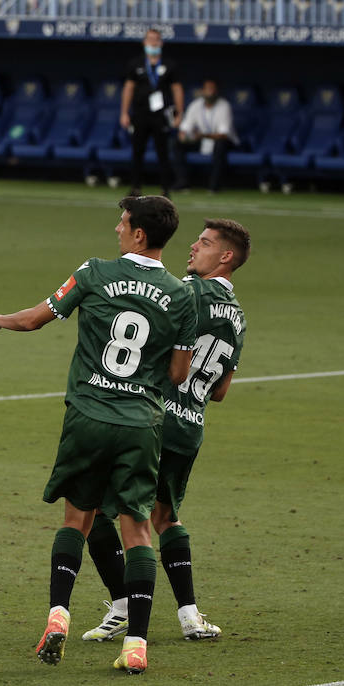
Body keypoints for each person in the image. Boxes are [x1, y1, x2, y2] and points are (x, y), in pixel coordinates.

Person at [0, 196, 197, 675]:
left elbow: (33, 319)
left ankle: (58, 615)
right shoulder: (182, 294)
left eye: (123, 222)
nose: (116, 227)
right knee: (136, 529)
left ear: (137, 234)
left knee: (77, 520)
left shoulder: (94, 273)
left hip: (87, 417)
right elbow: (178, 372)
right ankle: (136, 644)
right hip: (140, 424)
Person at [81, 218, 249, 645]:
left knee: (95, 508)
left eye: (206, 243)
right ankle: (190, 616)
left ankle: (122, 606)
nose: (193, 247)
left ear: (226, 257)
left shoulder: (187, 292)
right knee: (165, 515)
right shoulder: (240, 317)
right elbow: (221, 391)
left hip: (151, 418)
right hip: (190, 426)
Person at [120, 28, 185, 198]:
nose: (153, 43)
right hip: (140, 114)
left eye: (156, 40)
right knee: (137, 151)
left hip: (161, 115)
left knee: (163, 152)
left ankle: (165, 188)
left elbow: (177, 89)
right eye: (150, 39)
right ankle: (135, 187)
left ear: (161, 42)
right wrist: (124, 112)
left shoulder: (170, 65)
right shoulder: (136, 64)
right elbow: (128, 88)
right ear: (144, 42)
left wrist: (180, 113)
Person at [173, 79, 234, 193]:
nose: (210, 92)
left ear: (217, 91)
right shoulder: (195, 105)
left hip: (222, 141)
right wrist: (183, 135)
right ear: (202, 91)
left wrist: (201, 135)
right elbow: (185, 128)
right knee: (177, 143)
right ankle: (182, 183)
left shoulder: (224, 106)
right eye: (207, 89)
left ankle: (214, 186)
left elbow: (223, 134)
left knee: (220, 145)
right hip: (201, 140)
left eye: (212, 89)